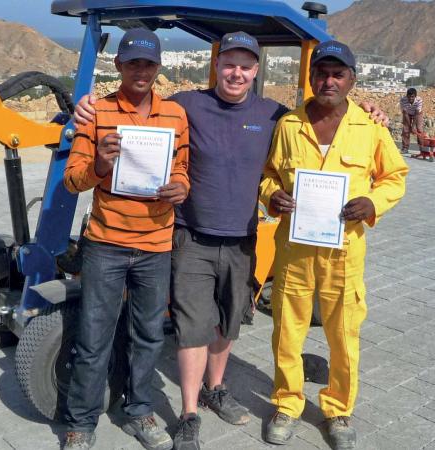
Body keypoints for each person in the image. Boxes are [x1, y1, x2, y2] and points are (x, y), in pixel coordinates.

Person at [73, 32, 390, 450]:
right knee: (189, 325)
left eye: (245, 65)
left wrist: (370, 112)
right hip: (190, 236)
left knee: (228, 319)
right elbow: (173, 153)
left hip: (244, 239)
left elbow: (311, 136)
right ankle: (186, 413)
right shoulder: (185, 105)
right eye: (228, 64)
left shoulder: (279, 116)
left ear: (256, 71)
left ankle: (215, 388)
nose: (236, 73)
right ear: (216, 67)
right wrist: (86, 106)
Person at [259, 40, 408, 449]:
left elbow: (395, 177)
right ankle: (287, 404)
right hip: (293, 250)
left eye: (337, 74)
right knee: (287, 331)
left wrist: (372, 202)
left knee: (344, 334)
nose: (329, 80)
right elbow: (270, 174)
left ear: (351, 80)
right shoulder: (289, 125)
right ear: (310, 78)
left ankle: (338, 409)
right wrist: (271, 196)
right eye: (321, 73)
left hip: (344, 252)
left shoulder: (370, 127)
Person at [61, 29, 190, 450]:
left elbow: (182, 169)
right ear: (118, 66)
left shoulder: (175, 116)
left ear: (158, 68)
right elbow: (72, 181)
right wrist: (99, 163)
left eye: (148, 63)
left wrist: (181, 188)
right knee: (94, 334)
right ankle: (80, 421)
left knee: (149, 335)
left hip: (156, 245)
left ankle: (138, 410)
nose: (141, 70)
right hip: (105, 244)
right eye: (133, 62)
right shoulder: (96, 114)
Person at [400, 87, 424, 153]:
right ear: (407, 96)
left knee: (419, 129)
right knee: (405, 129)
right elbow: (405, 113)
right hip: (407, 113)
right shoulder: (403, 100)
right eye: (409, 97)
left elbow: (417, 113)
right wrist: (409, 126)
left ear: (415, 96)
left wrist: (413, 126)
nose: (410, 98)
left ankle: (422, 148)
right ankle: (405, 148)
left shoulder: (419, 100)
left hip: (417, 114)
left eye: (412, 97)